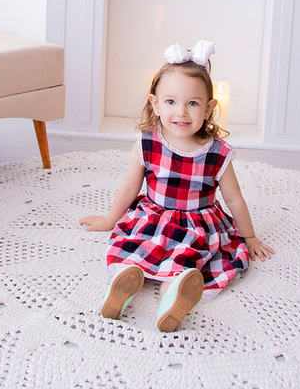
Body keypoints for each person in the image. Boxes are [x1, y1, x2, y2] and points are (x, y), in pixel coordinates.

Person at [79, 40, 274, 332]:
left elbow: (234, 200)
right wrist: (110, 219)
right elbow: (129, 188)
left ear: (208, 108)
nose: (181, 112)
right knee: (134, 249)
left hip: (198, 226)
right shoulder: (147, 142)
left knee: (186, 258)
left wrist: (250, 237)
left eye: (192, 103)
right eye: (170, 102)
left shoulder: (217, 152)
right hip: (153, 218)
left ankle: (174, 296)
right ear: (155, 104)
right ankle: (123, 284)